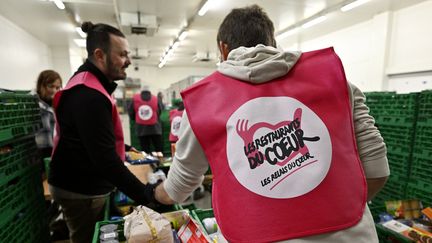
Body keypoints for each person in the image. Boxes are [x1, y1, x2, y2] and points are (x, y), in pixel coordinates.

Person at [155, 5, 389, 243]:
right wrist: (326, 210)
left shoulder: (202, 103)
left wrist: (153, 193)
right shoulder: (337, 82)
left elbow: (179, 187)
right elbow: (377, 170)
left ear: (223, 49)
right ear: (273, 42)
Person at [48, 22, 158, 243]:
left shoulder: (89, 84)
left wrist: (124, 148)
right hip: (79, 189)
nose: (128, 61)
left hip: (76, 180)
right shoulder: (89, 95)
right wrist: (148, 195)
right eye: (122, 54)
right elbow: (105, 161)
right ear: (99, 55)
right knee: (87, 238)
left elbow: (88, 135)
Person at [33, 70, 62, 159]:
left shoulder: (54, 104)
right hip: (37, 152)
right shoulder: (33, 104)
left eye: (57, 88)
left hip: (52, 150)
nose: (54, 91)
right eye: (51, 86)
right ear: (41, 85)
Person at [128, 86, 164, 155]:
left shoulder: (134, 99)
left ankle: (148, 164)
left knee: (145, 150)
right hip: (155, 128)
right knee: (158, 148)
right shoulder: (155, 98)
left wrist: (136, 118)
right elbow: (160, 111)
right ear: (149, 91)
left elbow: (131, 112)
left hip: (141, 128)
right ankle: (161, 163)